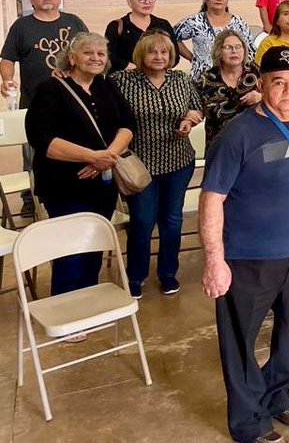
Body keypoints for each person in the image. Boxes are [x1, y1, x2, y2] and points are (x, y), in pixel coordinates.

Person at [200, 45, 289, 443]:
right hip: (249, 256)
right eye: (278, 83)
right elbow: (212, 198)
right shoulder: (237, 134)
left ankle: (278, 393)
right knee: (241, 339)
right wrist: (214, 260)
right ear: (261, 85)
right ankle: (249, 421)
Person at [25, 32, 133, 297]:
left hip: (103, 183)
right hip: (64, 185)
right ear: (71, 58)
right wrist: (90, 157)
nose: (95, 58)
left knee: (94, 246)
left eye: (101, 53)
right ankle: (65, 309)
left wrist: (105, 157)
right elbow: (43, 140)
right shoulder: (49, 89)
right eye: (88, 52)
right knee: (70, 250)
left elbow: (128, 126)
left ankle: (86, 302)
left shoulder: (107, 87)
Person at [110, 33, 203, 298]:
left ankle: (167, 273)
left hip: (178, 161)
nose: (159, 57)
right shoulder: (122, 81)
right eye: (153, 53)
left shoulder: (181, 79)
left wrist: (190, 119)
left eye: (164, 53)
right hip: (139, 165)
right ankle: (136, 275)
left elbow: (197, 108)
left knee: (172, 221)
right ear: (142, 55)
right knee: (142, 221)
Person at [2, 0, 89, 217]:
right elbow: (8, 57)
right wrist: (7, 80)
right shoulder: (22, 26)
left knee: (74, 145)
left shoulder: (74, 22)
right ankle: (31, 195)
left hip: (74, 100)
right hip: (36, 102)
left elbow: (91, 51)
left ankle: (75, 188)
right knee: (34, 151)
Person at [174, 0, 251, 81]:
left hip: (233, 77)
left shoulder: (238, 21)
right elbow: (172, 36)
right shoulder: (195, 21)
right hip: (202, 78)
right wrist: (192, 58)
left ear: (227, 0)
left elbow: (249, 48)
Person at [195, 30, 261, 145]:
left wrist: (262, 97)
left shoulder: (255, 71)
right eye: (228, 47)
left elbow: (274, 97)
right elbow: (197, 109)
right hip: (220, 143)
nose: (234, 51)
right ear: (218, 51)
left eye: (238, 47)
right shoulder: (206, 79)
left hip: (254, 141)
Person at [105, 0, 176, 72]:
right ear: (129, 2)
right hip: (124, 79)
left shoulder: (163, 25)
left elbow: (175, 54)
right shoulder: (116, 26)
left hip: (156, 79)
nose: (147, 2)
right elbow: (108, 55)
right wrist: (134, 68)